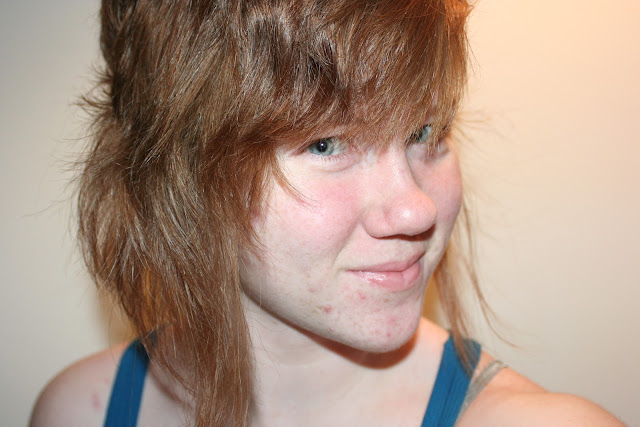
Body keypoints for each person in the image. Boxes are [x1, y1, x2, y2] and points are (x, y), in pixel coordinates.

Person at [30, 0, 624, 426]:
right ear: (176, 176)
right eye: (326, 143)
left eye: (426, 131)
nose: (415, 209)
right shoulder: (77, 410)